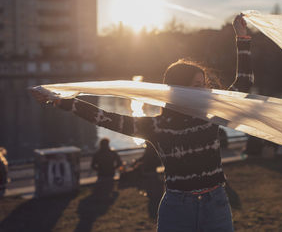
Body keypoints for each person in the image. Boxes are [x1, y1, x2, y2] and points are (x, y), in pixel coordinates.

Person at [31, 14, 253, 231]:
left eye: (204, 84)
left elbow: (243, 87)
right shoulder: (157, 127)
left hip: (216, 205)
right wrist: (60, 100)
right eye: (197, 85)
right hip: (177, 210)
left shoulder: (210, 115)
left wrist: (242, 38)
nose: (205, 90)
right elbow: (106, 118)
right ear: (178, 91)